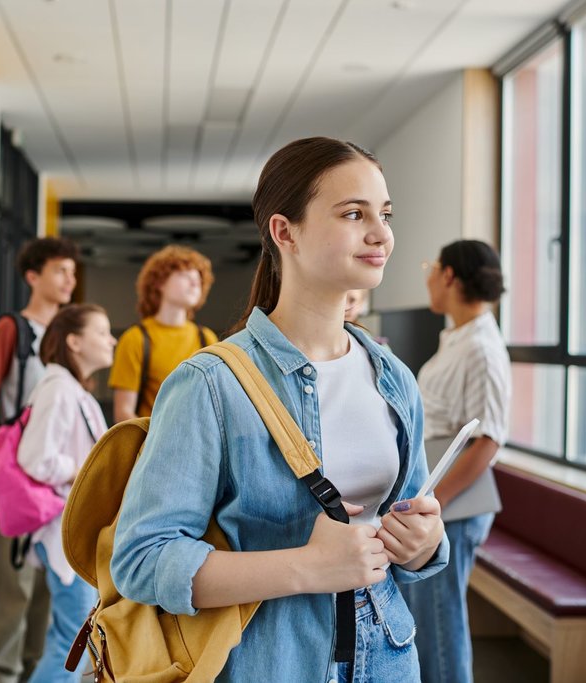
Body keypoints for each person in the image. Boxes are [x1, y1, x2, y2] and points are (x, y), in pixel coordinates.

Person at [110, 137, 449, 681]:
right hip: (268, 662)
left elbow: (409, 527)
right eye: (353, 213)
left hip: (387, 655)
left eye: (383, 214)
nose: (381, 234)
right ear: (284, 231)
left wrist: (424, 542)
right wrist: (306, 568)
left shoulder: (394, 378)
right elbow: (142, 559)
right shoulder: (210, 384)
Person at [0, 237, 79, 683]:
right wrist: (4, 470)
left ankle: (35, 674)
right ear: (33, 277)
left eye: (72, 271)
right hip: (19, 486)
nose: (69, 279)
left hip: (55, 487)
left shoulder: (66, 336)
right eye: (59, 271)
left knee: (49, 591)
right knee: (13, 592)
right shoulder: (13, 330)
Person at [398, 239, 511, 683]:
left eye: (432, 267)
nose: (427, 277)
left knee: (442, 626)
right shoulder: (459, 339)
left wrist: (434, 501)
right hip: (440, 500)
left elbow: (487, 441)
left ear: (449, 276)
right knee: (429, 620)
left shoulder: (482, 347)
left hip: (454, 506)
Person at [17, 304, 114, 682]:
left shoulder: (69, 389)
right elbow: (35, 459)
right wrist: (84, 472)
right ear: (74, 342)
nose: (112, 340)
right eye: (102, 332)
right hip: (61, 534)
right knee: (69, 641)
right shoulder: (58, 389)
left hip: (68, 532)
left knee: (70, 636)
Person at [109, 245, 218, 422]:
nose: (194, 283)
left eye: (198, 279)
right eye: (185, 275)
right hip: (151, 444)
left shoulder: (207, 338)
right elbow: (123, 414)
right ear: (159, 282)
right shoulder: (135, 338)